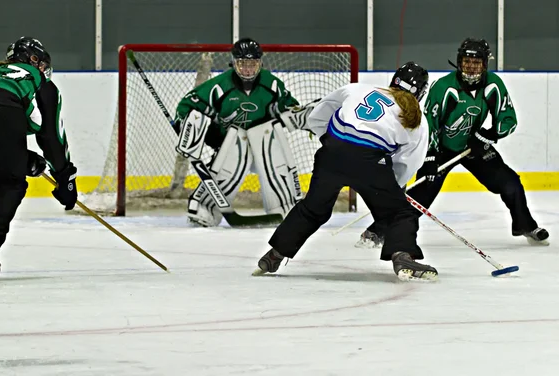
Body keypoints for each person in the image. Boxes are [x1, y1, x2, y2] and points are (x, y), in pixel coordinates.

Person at [358, 38, 549, 249]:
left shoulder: (493, 85)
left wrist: (487, 135)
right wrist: (430, 156)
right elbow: (428, 125)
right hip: (441, 149)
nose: (470, 66)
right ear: (459, 62)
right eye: (467, 61)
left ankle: (525, 225)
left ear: (485, 64)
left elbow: (508, 119)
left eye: (476, 63)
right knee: (421, 196)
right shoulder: (444, 87)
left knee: (511, 183)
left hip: (474, 146)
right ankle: (379, 230)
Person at [254, 62, 437, 281]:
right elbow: (406, 164)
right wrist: (392, 189)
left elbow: (320, 113)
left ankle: (275, 254)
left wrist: (331, 143)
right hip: (369, 161)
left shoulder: (360, 88)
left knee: (313, 208)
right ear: (422, 92)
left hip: (331, 152)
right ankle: (402, 257)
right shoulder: (417, 120)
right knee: (399, 212)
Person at [0, 36, 78, 283]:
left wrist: (21, 157)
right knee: (10, 182)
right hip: (2, 111)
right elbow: (51, 136)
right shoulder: (38, 81)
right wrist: (65, 176)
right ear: (34, 60)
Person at [174, 37, 316, 227]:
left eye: (253, 64)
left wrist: (304, 117)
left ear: (260, 63)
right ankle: (205, 208)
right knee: (229, 160)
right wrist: (188, 128)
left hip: (265, 144)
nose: (248, 69)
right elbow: (187, 107)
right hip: (230, 146)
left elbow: (288, 109)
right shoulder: (218, 86)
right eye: (242, 64)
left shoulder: (271, 84)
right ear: (233, 63)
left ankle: (284, 206)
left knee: (271, 145)